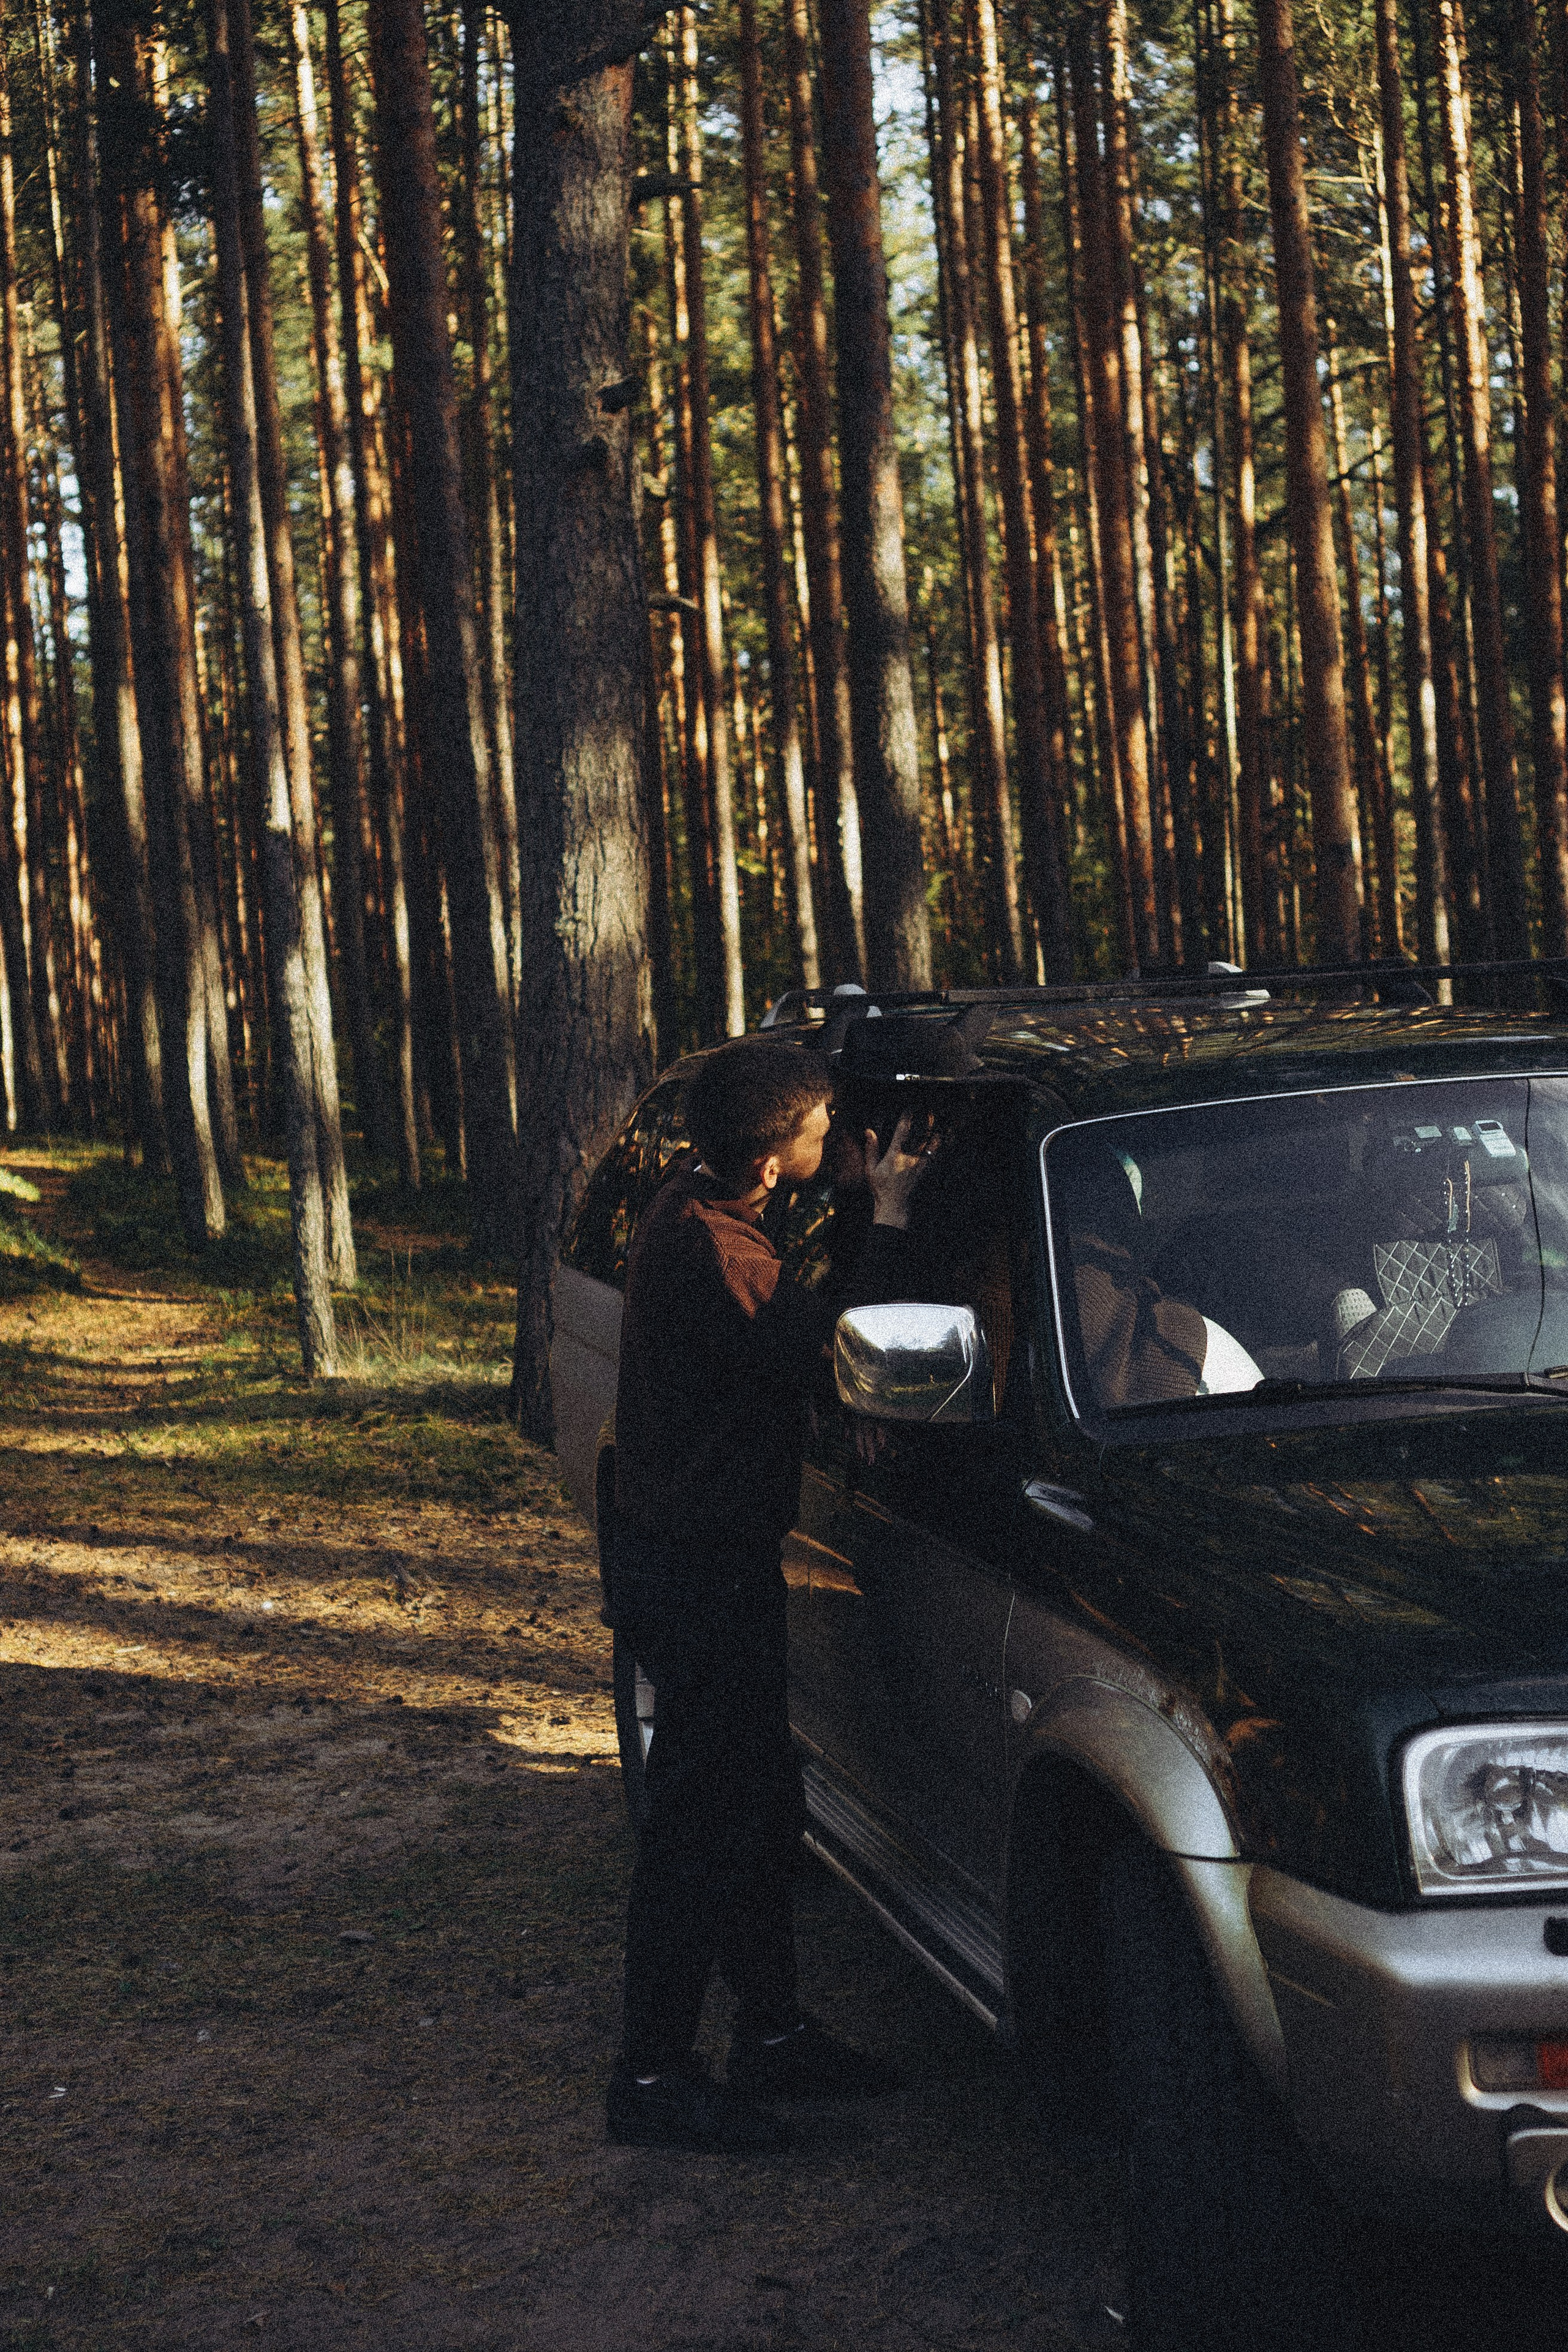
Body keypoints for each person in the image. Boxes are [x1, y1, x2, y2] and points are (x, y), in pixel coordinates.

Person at [606, 1039, 937, 2154]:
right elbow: (843, 1354)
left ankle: (775, 2034)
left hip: (694, 1554)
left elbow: (785, 1304)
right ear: (770, 1153)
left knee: (754, 1800)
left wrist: (844, 1201)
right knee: (699, 1822)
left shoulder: (703, 1209)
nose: (835, 1137)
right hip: (696, 1569)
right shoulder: (719, 1253)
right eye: (821, 1126)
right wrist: (887, 1219)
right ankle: (649, 2077)